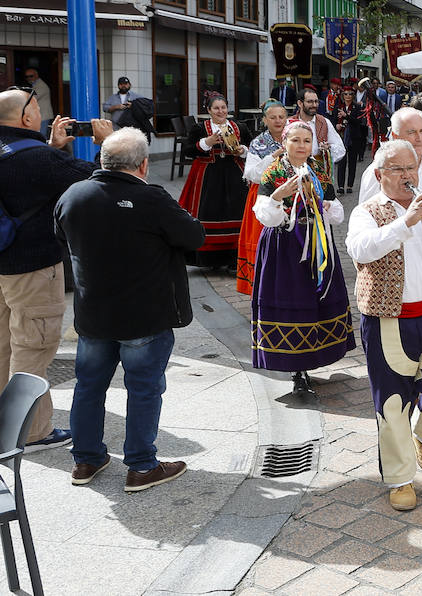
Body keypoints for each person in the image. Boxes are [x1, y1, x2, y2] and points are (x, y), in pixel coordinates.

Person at [54, 128, 203, 490]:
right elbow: (193, 236)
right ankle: (141, 466)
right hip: (144, 316)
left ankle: (85, 460)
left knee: (88, 387)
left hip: (93, 315)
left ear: (104, 161)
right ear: (143, 164)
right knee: (143, 389)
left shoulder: (74, 195)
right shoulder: (151, 198)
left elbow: (60, 236)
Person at [345, 139, 422, 511]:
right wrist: (407, 221)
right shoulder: (366, 212)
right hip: (387, 320)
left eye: (411, 168)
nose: (407, 176)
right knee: (393, 402)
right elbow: (361, 250)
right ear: (379, 175)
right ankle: (401, 479)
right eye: (398, 169)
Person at [0, 88, 113, 451]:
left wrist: (51, 146)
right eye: (37, 106)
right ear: (27, 118)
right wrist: (107, 142)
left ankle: (6, 424)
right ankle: (32, 432)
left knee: (2, 347)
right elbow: (103, 179)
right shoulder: (40, 160)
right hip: (31, 268)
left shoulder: (31, 155)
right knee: (33, 346)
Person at [251, 120, 355, 394]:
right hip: (284, 247)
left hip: (318, 244)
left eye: (306, 141)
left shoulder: (319, 170)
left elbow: (337, 213)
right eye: (295, 140)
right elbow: (265, 216)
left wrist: (323, 203)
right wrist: (278, 196)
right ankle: (296, 368)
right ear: (284, 142)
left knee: (315, 300)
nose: (301, 146)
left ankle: (312, 359)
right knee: (292, 301)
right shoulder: (273, 172)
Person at [178, 94, 248, 269]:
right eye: (216, 108)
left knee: (237, 212)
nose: (220, 111)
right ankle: (210, 260)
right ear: (208, 110)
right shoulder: (199, 128)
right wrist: (206, 143)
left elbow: (253, 147)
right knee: (210, 212)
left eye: (223, 107)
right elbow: (188, 151)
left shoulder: (239, 127)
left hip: (235, 177)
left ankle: (235, 259)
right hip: (207, 179)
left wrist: (243, 150)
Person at [236, 101, 289, 296]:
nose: (278, 121)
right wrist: (273, 157)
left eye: (281, 117)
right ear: (264, 120)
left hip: (292, 196)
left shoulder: (294, 137)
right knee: (265, 241)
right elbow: (251, 174)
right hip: (265, 196)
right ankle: (264, 285)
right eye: (273, 117)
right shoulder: (258, 143)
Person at [357, 107, 422, 202]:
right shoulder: (379, 170)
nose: (419, 138)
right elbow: (365, 214)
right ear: (395, 136)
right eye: (411, 132)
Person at [288, 86, 346, 192]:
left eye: (316, 102)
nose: (314, 105)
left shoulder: (324, 122)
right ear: (300, 104)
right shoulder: (290, 124)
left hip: (320, 178)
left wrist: (328, 149)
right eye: (310, 102)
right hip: (294, 176)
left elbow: (341, 149)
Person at [332, 87, 368, 194]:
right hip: (341, 137)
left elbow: (358, 122)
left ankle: (349, 185)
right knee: (341, 162)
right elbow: (333, 119)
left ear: (353, 96)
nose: (348, 96)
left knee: (352, 162)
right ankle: (341, 186)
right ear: (343, 95)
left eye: (350, 94)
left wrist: (346, 116)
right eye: (346, 94)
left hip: (353, 138)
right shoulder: (338, 107)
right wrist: (336, 125)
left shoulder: (357, 107)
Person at [22, 67, 54, 136]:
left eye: (31, 76)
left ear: (36, 75)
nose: (29, 78)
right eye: (27, 77)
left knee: (41, 136)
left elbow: (32, 98)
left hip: (43, 116)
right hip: (40, 115)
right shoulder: (35, 85)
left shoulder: (41, 86)